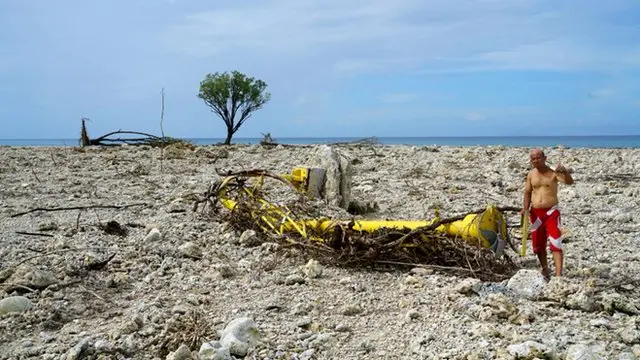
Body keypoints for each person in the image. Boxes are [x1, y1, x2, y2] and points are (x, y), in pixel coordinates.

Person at [522, 148, 574, 280]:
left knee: (555, 242)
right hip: (536, 213)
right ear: (531, 161)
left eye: (538, 157)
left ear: (545, 158)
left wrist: (565, 172)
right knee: (538, 245)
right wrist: (525, 208)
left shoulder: (553, 173)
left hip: (551, 212)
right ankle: (545, 269)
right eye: (533, 158)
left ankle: (558, 275)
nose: (536, 160)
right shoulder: (531, 174)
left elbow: (569, 182)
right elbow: (528, 192)